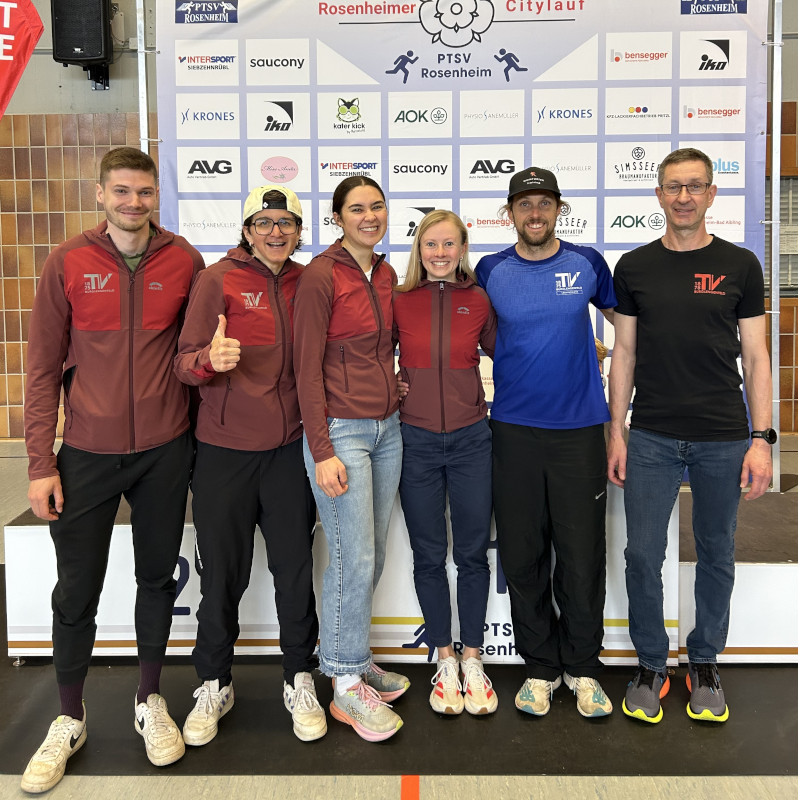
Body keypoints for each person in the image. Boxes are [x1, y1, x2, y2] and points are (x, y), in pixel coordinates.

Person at [21, 147, 204, 793]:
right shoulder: (67, 261)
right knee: (76, 591)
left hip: (164, 451)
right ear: (100, 194)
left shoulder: (185, 260)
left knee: (156, 579)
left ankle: (149, 700)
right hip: (87, 453)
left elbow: (192, 358)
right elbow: (42, 369)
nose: (133, 202)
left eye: (144, 192)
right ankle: (68, 718)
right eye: (121, 191)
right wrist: (40, 462)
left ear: (158, 196)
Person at [607, 147, 773, 724]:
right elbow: (623, 354)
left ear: (711, 194)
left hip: (723, 436)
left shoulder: (741, 264)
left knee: (716, 551)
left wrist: (762, 439)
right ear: (658, 194)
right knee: (641, 554)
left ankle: (703, 660)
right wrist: (617, 433)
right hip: (651, 435)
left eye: (695, 186)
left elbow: (757, 357)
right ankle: (652, 663)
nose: (684, 197)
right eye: (673, 187)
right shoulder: (634, 267)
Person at [173, 186, 323, 745]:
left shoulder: (310, 281)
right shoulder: (217, 279)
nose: (276, 232)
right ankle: (214, 682)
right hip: (224, 452)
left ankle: (298, 677)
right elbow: (182, 363)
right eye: (265, 222)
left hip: (288, 451)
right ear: (247, 229)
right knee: (221, 576)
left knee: (295, 572)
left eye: (287, 222)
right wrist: (208, 360)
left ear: (299, 231)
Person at [475, 167, 615, 719]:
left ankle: (582, 668)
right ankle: (539, 667)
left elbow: (627, 329)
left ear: (559, 209)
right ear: (509, 212)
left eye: (545, 203)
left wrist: (608, 357)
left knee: (581, 557)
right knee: (522, 554)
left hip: (579, 431)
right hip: (512, 430)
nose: (535, 213)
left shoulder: (587, 263)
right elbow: (463, 332)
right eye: (524, 204)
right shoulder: (490, 270)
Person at [293, 176, 409, 742]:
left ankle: (355, 657)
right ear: (337, 217)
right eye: (357, 208)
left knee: (372, 554)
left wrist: (396, 387)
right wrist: (322, 450)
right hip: (341, 431)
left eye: (377, 206)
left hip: (388, 428)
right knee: (350, 556)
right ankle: (342, 683)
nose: (370, 216)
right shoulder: (321, 274)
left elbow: (383, 349)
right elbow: (305, 368)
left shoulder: (385, 272)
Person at [393, 210, 498, 716]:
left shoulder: (478, 299)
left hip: (471, 439)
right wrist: (389, 383)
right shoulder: (398, 298)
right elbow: (370, 354)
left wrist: (582, 350)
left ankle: (472, 657)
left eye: (448, 244)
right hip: (414, 441)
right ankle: (444, 656)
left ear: (462, 248)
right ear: (419, 248)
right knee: (429, 555)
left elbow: (512, 352)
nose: (439, 253)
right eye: (430, 244)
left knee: (473, 553)